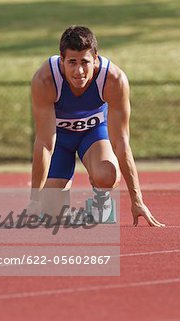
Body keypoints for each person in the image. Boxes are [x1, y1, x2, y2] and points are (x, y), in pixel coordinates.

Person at [28, 25, 164, 227]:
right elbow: (46, 143)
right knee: (50, 214)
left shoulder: (114, 80)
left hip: (92, 134)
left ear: (96, 59)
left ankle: (101, 200)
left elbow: (121, 142)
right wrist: (34, 200)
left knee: (107, 174)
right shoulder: (45, 80)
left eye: (85, 62)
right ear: (62, 60)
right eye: (72, 62)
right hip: (60, 139)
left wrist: (137, 200)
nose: (79, 71)